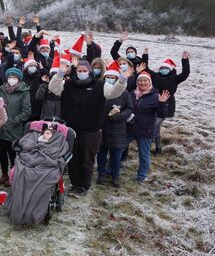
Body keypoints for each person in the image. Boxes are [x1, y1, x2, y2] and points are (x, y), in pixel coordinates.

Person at [48, 57, 129, 198]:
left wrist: (122, 80)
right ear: (75, 71)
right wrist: (60, 73)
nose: (82, 73)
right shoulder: (68, 84)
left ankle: (84, 186)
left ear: (90, 71)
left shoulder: (100, 85)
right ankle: (74, 184)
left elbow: (113, 93)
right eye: (79, 70)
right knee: (72, 159)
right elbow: (53, 88)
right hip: (71, 129)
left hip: (91, 130)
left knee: (86, 160)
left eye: (85, 70)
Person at [0, 65, 31, 186]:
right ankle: (4, 174)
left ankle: (13, 174)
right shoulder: (3, 89)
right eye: (10, 76)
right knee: (2, 153)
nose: (11, 79)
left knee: (13, 153)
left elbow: (26, 111)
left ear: (19, 79)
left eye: (14, 77)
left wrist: (14, 121)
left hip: (14, 129)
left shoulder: (24, 92)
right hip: (1, 128)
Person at [138, 51, 190, 154]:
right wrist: (145, 55)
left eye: (165, 68)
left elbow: (185, 73)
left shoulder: (175, 78)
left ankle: (147, 145)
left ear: (169, 69)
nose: (163, 70)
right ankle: (158, 147)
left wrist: (185, 60)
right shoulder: (156, 76)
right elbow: (146, 68)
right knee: (155, 128)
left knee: (154, 125)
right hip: (154, 103)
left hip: (167, 105)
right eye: (161, 68)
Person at [125, 71, 170, 183]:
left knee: (144, 155)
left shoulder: (155, 96)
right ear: (137, 82)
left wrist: (162, 103)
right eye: (140, 80)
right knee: (118, 148)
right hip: (129, 129)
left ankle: (141, 176)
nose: (142, 83)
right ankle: (113, 169)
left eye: (145, 80)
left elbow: (163, 113)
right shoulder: (131, 94)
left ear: (149, 83)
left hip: (145, 130)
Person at [96, 61, 134, 188]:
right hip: (102, 127)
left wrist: (119, 116)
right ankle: (101, 174)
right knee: (101, 153)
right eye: (108, 77)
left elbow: (129, 108)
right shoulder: (101, 90)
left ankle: (115, 176)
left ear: (117, 79)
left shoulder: (124, 93)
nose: (110, 79)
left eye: (113, 78)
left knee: (116, 155)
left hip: (118, 128)